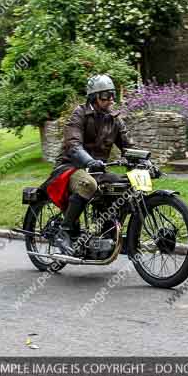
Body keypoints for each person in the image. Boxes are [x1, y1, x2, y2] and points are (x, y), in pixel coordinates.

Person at [40, 74, 135, 256]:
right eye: (106, 95)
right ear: (94, 97)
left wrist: (144, 161)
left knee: (124, 185)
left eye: (112, 95)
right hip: (71, 167)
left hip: (98, 170)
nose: (110, 100)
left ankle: (108, 233)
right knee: (88, 184)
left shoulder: (114, 119)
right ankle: (64, 232)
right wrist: (89, 161)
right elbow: (73, 145)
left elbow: (129, 146)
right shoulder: (80, 114)